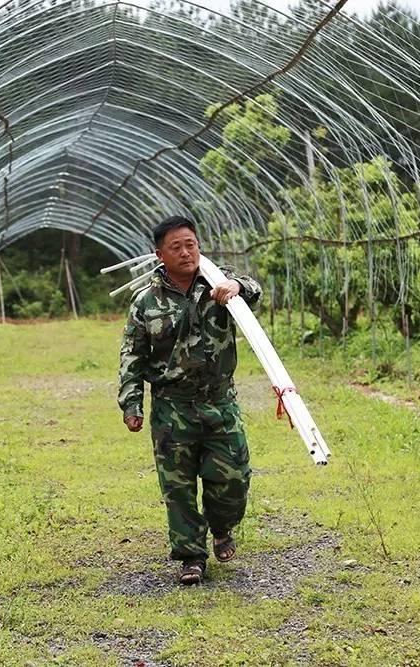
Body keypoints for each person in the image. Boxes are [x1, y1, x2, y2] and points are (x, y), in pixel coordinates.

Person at [117, 215, 262, 585]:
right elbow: (132, 356)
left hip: (219, 403)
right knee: (177, 488)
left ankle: (222, 526)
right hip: (172, 408)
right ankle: (191, 557)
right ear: (159, 254)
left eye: (191, 244)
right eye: (176, 247)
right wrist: (131, 404)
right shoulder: (145, 303)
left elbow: (254, 290)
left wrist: (238, 286)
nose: (186, 252)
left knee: (233, 479)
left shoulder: (218, 283)